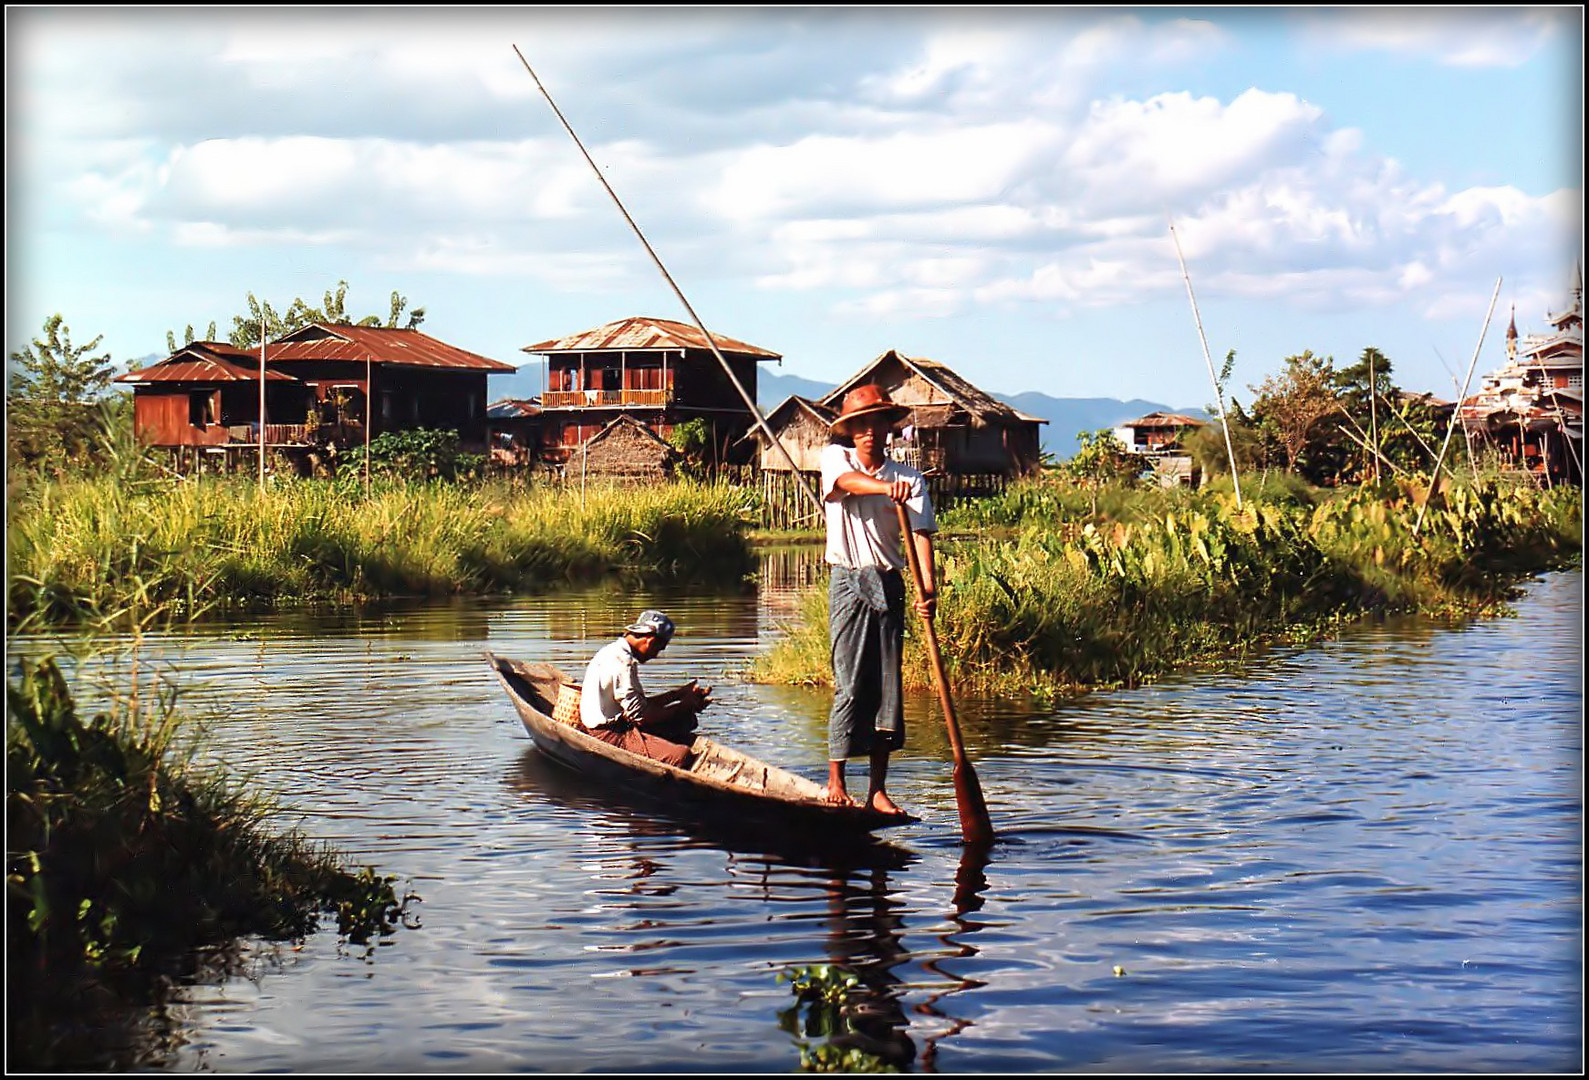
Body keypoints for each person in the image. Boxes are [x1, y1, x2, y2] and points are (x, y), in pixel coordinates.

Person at [819, 384, 937, 816]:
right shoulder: (837, 459)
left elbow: (921, 538)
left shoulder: (909, 478)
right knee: (850, 684)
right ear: (850, 431)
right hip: (849, 580)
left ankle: (878, 790)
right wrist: (883, 490)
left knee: (888, 690)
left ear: (890, 428)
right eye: (861, 425)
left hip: (890, 583)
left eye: (877, 423)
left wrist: (928, 590)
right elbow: (847, 483)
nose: (869, 432)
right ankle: (835, 780)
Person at [579, 609, 712, 768]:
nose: (655, 655)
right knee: (681, 755)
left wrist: (678, 695)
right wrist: (683, 706)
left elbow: (640, 707)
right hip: (609, 735)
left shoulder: (614, 651)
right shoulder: (623, 662)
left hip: (618, 724)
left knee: (685, 720)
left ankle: (658, 746)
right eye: (658, 649)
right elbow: (641, 716)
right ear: (650, 640)